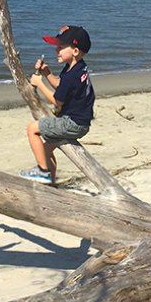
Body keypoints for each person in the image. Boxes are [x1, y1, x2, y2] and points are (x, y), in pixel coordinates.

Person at [19, 25, 95, 185]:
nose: (56, 51)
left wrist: (39, 83)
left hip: (72, 123)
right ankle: (50, 183)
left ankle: (43, 171)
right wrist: (47, 73)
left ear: (75, 51)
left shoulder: (71, 76)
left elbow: (57, 100)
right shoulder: (77, 68)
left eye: (60, 47)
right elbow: (61, 87)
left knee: (32, 129)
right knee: (46, 150)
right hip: (80, 121)